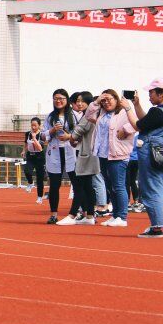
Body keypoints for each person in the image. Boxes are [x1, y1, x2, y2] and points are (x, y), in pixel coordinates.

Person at [88, 90, 136, 228]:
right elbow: (88, 115)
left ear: (117, 99)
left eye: (109, 99)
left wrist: (126, 130)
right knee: (110, 186)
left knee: (118, 186)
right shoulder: (101, 114)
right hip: (103, 154)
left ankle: (122, 217)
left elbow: (136, 124)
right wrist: (96, 102)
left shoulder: (124, 112)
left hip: (118, 154)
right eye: (103, 100)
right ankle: (115, 215)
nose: (106, 102)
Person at [126, 79, 162, 238]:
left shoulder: (158, 111)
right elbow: (146, 121)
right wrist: (136, 105)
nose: (149, 96)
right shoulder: (157, 113)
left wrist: (127, 108)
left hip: (151, 153)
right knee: (158, 187)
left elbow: (138, 125)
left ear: (161, 94)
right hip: (159, 153)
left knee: (151, 189)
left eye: (151, 93)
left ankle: (157, 226)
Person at [61, 93, 98, 226]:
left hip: (86, 154)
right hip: (85, 152)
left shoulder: (88, 116)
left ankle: (72, 215)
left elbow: (78, 131)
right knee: (86, 185)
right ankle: (89, 216)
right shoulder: (86, 116)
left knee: (80, 186)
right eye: (78, 101)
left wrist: (70, 137)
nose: (80, 104)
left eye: (83, 101)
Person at [44, 89, 76, 224]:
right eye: (56, 98)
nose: (58, 101)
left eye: (61, 98)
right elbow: (43, 136)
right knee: (54, 184)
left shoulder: (73, 115)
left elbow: (79, 132)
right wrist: (52, 130)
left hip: (71, 151)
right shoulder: (50, 117)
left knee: (77, 183)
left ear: (67, 100)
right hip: (55, 152)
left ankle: (77, 213)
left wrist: (69, 135)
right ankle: (53, 214)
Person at [23, 118, 46, 203]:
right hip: (30, 156)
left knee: (39, 178)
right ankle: (30, 182)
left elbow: (40, 148)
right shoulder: (27, 134)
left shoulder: (42, 135)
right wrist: (24, 151)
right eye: (32, 125)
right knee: (27, 171)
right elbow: (25, 143)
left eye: (35, 125)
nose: (33, 127)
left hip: (39, 157)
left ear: (39, 125)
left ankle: (39, 197)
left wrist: (34, 139)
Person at [127, 136, 144, 213]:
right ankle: (136, 200)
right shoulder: (139, 136)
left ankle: (127, 202)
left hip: (128, 159)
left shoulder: (128, 136)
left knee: (127, 181)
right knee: (133, 181)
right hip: (137, 159)